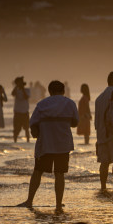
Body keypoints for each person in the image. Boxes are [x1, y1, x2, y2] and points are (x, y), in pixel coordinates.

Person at [17, 80, 78, 213]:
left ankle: (29, 201)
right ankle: (58, 204)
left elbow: (32, 123)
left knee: (38, 171)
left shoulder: (42, 104)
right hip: (63, 144)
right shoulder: (70, 103)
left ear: (50, 91)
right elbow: (75, 123)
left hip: (45, 144)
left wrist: (36, 133)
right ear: (63, 91)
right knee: (60, 174)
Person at [11, 76, 30, 143]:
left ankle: (28, 141)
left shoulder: (27, 90)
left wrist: (23, 89)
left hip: (25, 112)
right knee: (16, 129)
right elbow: (12, 94)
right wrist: (17, 86)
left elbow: (26, 97)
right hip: (17, 112)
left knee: (27, 128)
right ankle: (15, 141)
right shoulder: (16, 90)